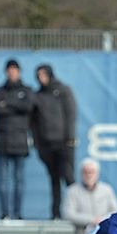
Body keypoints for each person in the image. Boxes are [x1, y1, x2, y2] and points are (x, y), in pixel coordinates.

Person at [0, 58, 35, 219]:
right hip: (2, 142)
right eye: (9, 70)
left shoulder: (27, 90)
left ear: (19, 72)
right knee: (3, 181)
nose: (12, 73)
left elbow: (27, 106)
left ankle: (17, 214)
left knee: (19, 181)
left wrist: (7, 103)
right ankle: (5, 214)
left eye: (14, 70)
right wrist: (16, 104)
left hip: (20, 142)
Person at [32, 63, 78, 219]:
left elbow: (70, 115)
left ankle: (76, 210)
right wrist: (37, 143)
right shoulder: (37, 96)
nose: (41, 78)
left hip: (64, 143)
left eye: (43, 74)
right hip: (46, 144)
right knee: (54, 179)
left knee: (69, 177)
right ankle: (55, 213)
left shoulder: (63, 90)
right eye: (38, 75)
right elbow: (33, 122)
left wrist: (70, 138)